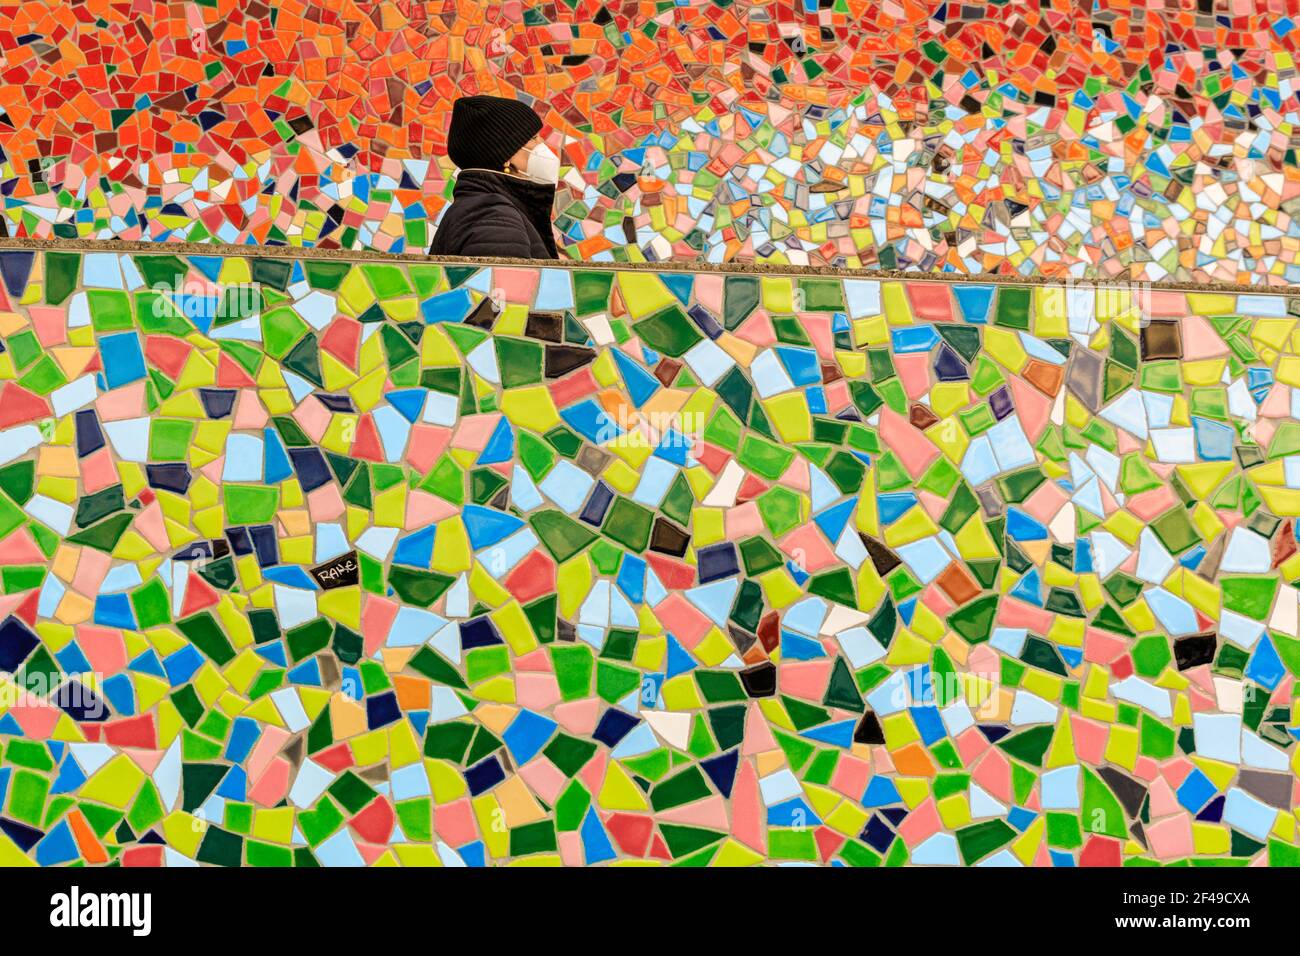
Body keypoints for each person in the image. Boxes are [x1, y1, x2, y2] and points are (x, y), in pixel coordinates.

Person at [429, 95, 562, 259]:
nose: (542, 145)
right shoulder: (495, 220)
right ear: (505, 155)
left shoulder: (482, 208)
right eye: (533, 138)